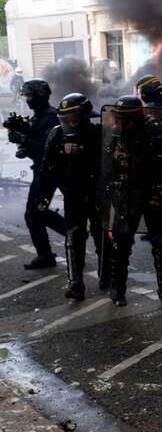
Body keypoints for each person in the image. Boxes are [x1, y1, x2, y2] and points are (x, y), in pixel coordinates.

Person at [99, 96, 162, 308]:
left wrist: (160, 193)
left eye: (125, 120)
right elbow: (107, 165)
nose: (120, 124)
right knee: (120, 244)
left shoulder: (155, 132)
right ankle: (117, 289)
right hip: (126, 193)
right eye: (118, 119)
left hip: (151, 193)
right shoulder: (113, 133)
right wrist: (107, 193)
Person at [37, 94, 106, 300]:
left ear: (84, 116)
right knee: (73, 236)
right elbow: (47, 168)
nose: (68, 123)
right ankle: (75, 282)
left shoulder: (100, 133)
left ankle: (108, 275)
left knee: (102, 236)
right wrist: (43, 196)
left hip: (97, 193)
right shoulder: (56, 135)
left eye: (73, 118)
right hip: (73, 194)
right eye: (65, 118)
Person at [15, 79, 66, 269]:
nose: (27, 100)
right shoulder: (38, 117)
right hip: (42, 170)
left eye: (29, 95)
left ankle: (71, 233)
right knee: (35, 213)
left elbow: (48, 149)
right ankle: (47, 253)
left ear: (39, 96)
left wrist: (24, 140)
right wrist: (23, 145)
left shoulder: (51, 117)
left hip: (50, 172)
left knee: (35, 213)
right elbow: (35, 148)